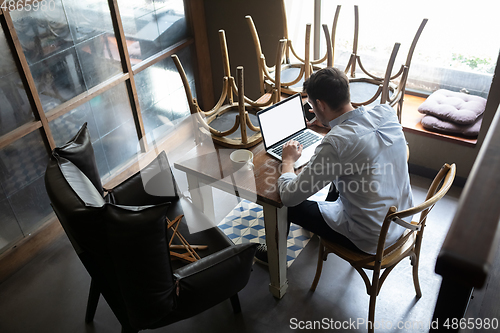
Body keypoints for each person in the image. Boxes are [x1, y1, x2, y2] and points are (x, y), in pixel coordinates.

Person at [255, 67, 413, 264]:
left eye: (312, 103)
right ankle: (319, 220)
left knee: (284, 205)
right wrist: (330, 123)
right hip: (401, 221)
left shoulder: (336, 143)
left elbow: (289, 196)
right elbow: (360, 135)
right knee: (342, 175)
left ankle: (272, 254)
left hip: (371, 238)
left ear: (320, 104)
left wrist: (288, 161)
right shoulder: (385, 112)